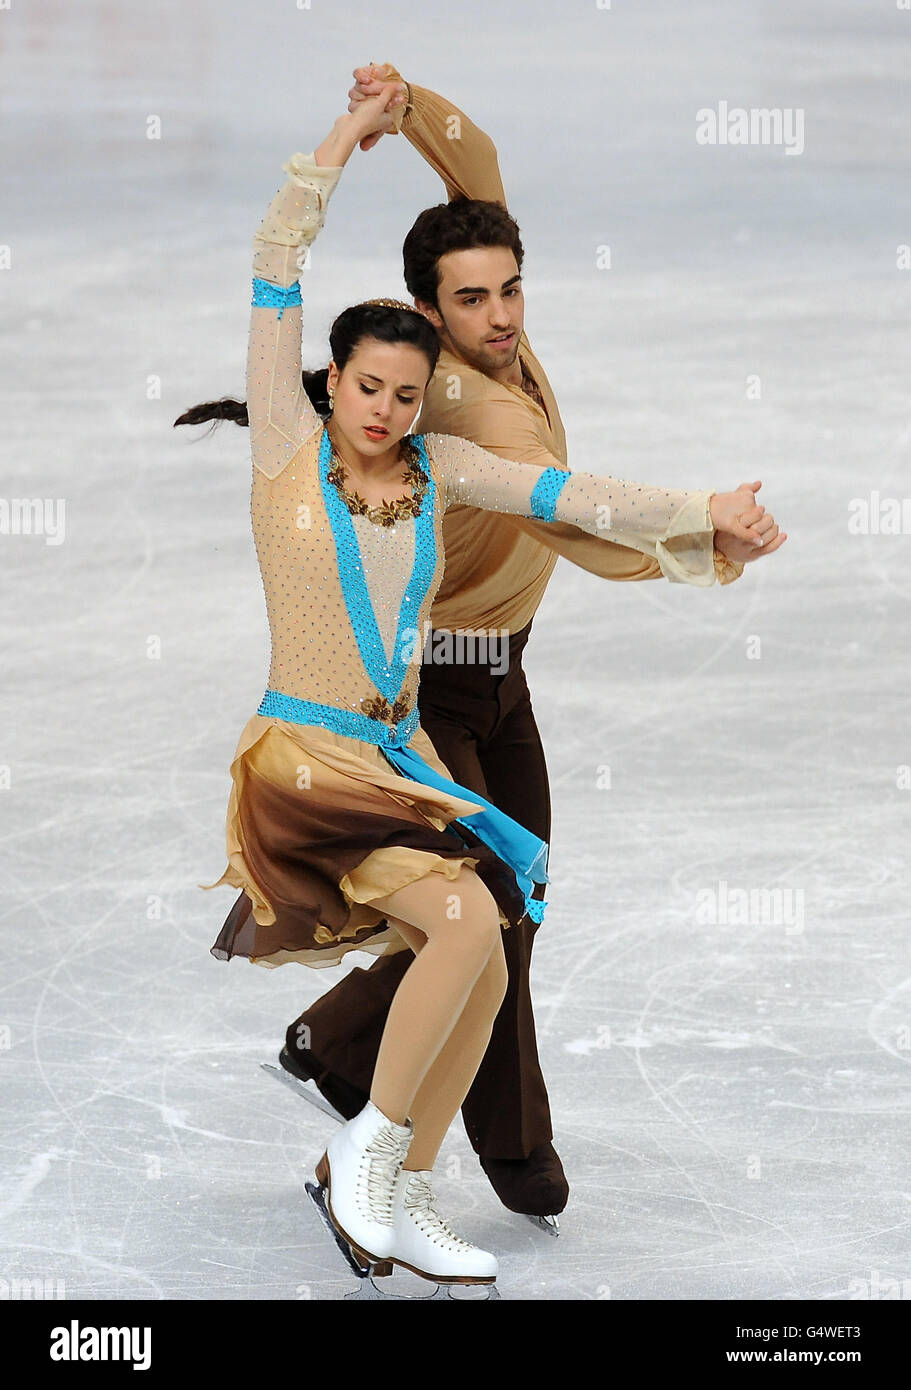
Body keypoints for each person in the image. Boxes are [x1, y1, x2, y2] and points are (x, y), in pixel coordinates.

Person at [178, 84, 783, 1289]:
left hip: (399, 754)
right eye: (367, 389)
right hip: (311, 761)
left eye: (404, 395)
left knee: (492, 944)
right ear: (332, 381)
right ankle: (373, 1151)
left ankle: (384, 1179)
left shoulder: (440, 461)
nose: (387, 411)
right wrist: (346, 140)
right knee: (469, 917)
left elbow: (570, 501)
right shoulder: (285, 459)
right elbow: (275, 260)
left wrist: (703, 515)